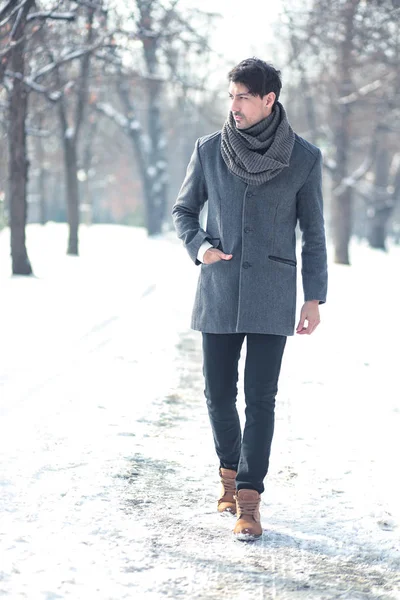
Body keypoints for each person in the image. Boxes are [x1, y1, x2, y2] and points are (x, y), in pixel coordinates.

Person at [172, 58, 328, 541]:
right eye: (231, 96)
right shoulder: (209, 150)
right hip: (218, 288)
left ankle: (249, 500)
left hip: (272, 293)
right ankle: (227, 472)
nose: (234, 106)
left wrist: (314, 297)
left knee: (261, 398)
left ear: (268, 100)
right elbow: (184, 209)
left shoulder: (303, 158)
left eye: (243, 96)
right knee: (218, 394)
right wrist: (201, 247)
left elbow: (314, 234)